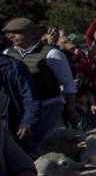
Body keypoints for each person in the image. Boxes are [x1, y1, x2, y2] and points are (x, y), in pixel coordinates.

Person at [3, 18, 78, 151]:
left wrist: (70, 110)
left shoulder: (52, 53)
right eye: (8, 33)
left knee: (49, 145)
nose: (11, 36)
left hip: (48, 106)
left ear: (31, 33)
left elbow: (68, 85)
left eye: (16, 32)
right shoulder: (7, 54)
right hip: (22, 110)